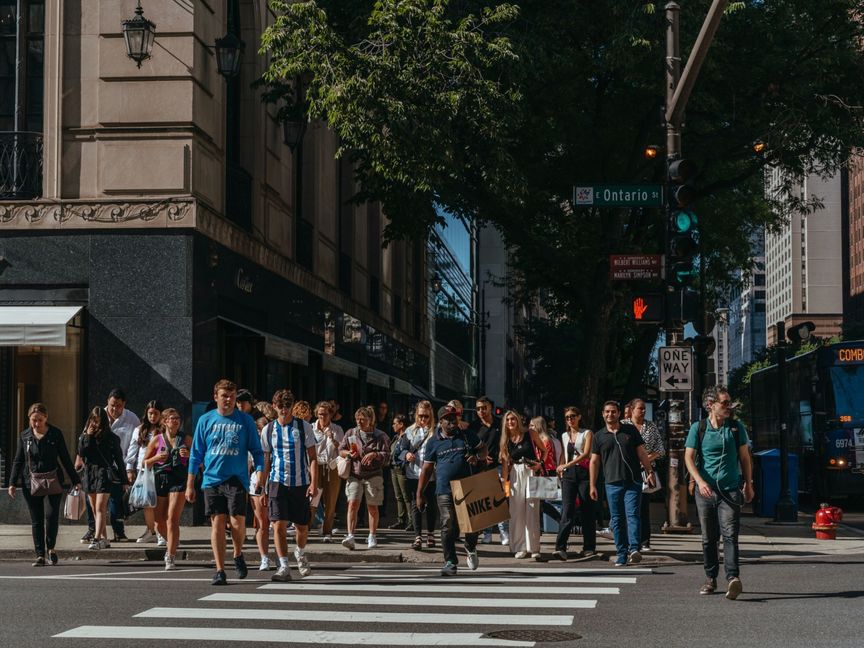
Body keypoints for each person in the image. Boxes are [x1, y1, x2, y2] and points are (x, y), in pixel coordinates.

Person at [186, 378, 265, 586]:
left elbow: (257, 451)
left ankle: (238, 553)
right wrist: (190, 484)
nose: (228, 400)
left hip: (236, 478)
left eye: (231, 396)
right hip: (212, 479)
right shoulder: (206, 420)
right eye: (224, 396)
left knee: (238, 522)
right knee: (217, 524)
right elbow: (195, 454)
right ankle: (220, 569)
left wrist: (260, 472)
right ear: (216, 397)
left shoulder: (245, 421)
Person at [684, 386, 754, 600]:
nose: (729, 407)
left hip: (730, 491)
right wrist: (699, 481)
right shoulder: (699, 428)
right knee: (709, 538)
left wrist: (748, 484)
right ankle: (711, 578)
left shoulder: (735, 427)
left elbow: (744, 458)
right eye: (724, 403)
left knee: (730, 534)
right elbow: (688, 458)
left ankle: (733, 578)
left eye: (729, 402)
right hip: (705, 492)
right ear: (710, 405)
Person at [8, 403, 81, 566]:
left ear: (46, 418)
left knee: (51, 515)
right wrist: (12, 482)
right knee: (37, 519)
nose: (36, 424)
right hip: (31, 482)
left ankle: (51, 549)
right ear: (29, 419)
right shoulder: (25, 436)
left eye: (40, 420)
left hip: (54, 480)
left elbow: (65, 458)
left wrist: (76, 480)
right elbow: (18, 460)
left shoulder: (55, 434)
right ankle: (40, 554)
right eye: (33, 420)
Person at [417, 405, 486, 576]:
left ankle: (470, 545)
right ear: (440, 422)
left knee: (471, 525)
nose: (452, 421)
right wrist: (420, 493)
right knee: (447, 523)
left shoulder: (466, 435)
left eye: (454, 417)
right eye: (448, 419)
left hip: (467, 487)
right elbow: (426, 470)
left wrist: (476, 457)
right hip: (444, 489)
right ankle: (450, 561)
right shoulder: (433, 442)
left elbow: (483, 449)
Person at [589, 401, 655, 567]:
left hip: (632, 481)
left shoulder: (630, 430)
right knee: (617, 519)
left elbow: (641, 452)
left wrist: (650, 471)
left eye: (613, 412)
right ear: (603, 414)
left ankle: (634, 549)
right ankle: (621, 553)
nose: (610, 415)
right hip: (612, 483)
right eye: (607, 412)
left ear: (619, 413)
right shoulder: (599, 436)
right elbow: (594, 462)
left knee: (632, 514)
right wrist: (592, 485)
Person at [262, 389, 318, 582]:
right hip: (277, 482)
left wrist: (313, 483)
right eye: (280, 406)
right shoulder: (268, 430)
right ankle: (284, 565)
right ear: (274, 406)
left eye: (287, 406)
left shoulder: (303, 427)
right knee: (278, 524)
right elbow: (266, 460)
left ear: (292, 407)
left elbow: (312, 457)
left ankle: (300, 552)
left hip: (300, 482)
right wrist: (263, 487)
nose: (283, 410)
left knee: (302, 526)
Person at [142, 407, 190, 570]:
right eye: (171, 418)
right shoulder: (157, 439)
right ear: (164, 421)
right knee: (159, 521)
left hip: (178, 480)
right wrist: (156, 458)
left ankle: (170, 555)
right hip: (160, 480)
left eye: (177, 418)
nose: (175, 420)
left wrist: (188, 456)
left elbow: (199, 460)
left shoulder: (186, 439)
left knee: (172, 519)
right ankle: (173, 542)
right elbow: (144, 462)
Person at [338, 406, 390, 550]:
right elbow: (340, 450)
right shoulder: (351, 433)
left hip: (373, 475)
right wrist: (349, 453)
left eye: (363, 419)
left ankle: (372, 536)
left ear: (370, 420)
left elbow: (387, 456)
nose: (359, 422)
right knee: (352, 503)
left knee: (372, 506)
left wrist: (375, 454)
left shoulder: (380, 436)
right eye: (357, 419)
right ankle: (350, 536)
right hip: (355, 473)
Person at [78, 407, 129, 550]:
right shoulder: (85, 436)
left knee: (100, 507)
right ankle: (105, 539)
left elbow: (119, 460)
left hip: (103, 474)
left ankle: (97, 539)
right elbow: (81, 453)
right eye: (93, 420)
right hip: (89, 474)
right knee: (94, 509)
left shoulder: (111, 438)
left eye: (98, 420)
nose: (95, 423)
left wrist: (124, 480)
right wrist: (87, 435)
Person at [500, 410, 547, 560]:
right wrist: (503, 482)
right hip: (515, 473)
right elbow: (506, 465)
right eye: (507, 420)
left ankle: (534, 548)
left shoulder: (530, 433)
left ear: (518, 420)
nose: (510, 422)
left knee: (532, 509)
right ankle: (520, 547)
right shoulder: (505, 441)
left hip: (530, 471)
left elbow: (544, 451)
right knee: (516, 511)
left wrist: (540, 464)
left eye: (513, 419)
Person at [553, 406, 595, 560]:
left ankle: (589, 546)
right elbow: (564, 454)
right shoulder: (564, 435)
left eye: (572, 416)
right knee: (567, 509)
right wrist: (561, 467)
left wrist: (566, 465)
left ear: (579, 417)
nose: (570, 419)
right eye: (567, 417)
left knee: (586, 509)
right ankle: (560, 547)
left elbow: (585, 454)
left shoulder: (587, 433)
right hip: (569, 474)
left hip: (583, 473)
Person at [625, 398, 665, 551]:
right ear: (632, 409)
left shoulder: (651, 426)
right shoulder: (624, 425)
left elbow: (660, 450)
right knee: (628, 507)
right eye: (639, 408)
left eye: (644, 409)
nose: (642, 411)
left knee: (642, 507)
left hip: (645, 472)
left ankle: (644, 541)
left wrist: (646, 460)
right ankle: (629, 540)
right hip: (627, 470)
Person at [468, 396, 509, 546]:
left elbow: (507, 442)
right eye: (478, 408)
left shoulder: (501, 423)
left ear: (491, 407)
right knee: (484, 502)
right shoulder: (474, 426)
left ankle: (504, 531)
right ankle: (487, 533)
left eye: (484, 408)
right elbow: (470, 448)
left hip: (498, 466)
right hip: (480, 468)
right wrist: (480, 458)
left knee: (499, 500)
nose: (481, 411)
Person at [398, 402, 438, 550]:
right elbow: (400, 450)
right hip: (413, 473)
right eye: (420, 416)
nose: (423, 419)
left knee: (431, 504)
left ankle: (431, 534)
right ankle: (418, 537)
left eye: (426, 416)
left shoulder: (436, 431)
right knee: (416, 504)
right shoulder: (409, 431)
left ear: (431, 415)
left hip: (431, 475)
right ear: (416, 415)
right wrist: (406, 454)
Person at [125, 400, 162, 545]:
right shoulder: (139, 430)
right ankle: (150, 531)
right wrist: (129, 469)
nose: (153, 416)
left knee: (159, 502)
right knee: (147, 502)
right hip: (143, 470)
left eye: (156, 413)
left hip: (159, 469)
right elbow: (132, 450)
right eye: (150, 413)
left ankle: (161, 533)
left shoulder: (164, 430)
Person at [310, 400, 344, 542]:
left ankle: (327, 532)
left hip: (331, 467)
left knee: (330, 501)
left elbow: (342, 449)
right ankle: (305, 529)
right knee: (312, 500)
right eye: (320, 414)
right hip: (316, 466)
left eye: (325, 414)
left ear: (331, 415)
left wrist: (333, 440)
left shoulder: (337, 429)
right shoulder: (310, 428)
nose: (322, 417)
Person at [387, 414, 411, 530]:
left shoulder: (406, 437)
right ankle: (401, 520)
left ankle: (411, 521)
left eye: (395, 423)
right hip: (393, 468)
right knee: (398, 496)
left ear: (401, 424)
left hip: (401, 469)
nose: (393, 425)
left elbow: (404, 452)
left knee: (406, 496)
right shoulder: (396, 437)